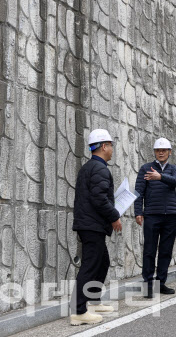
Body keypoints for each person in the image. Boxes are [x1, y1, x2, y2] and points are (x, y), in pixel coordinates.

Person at [70, 129, 122, 326]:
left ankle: (92, 300)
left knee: (102, 262)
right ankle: (78, 311)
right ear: (104, 146)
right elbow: (99, 198)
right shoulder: (100, 169)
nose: (112, 150)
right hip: (92, 226)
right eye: (110, 146)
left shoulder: (88, 167)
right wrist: (115, 216)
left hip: (90, 224)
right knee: (90, 266)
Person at [134, 138, 176, 298]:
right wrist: (138, 212)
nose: (161, 153)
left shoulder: (174, 169)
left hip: (170, 216)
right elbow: (138, 191)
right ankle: (148, 285)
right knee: (149, 250)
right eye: (158, 150)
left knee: (165, 251)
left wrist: (160, 177)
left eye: (164, 150)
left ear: (170, 152)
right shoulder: (146, 169)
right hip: (151, 215)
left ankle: (160, 283)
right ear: (154, 152)